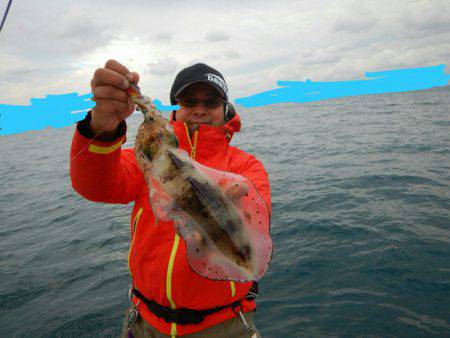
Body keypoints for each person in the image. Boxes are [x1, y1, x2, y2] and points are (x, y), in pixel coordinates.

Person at [70, 59, 271, 338]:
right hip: (146, 323)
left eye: (211, 101)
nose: (200, 108)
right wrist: (101, 127)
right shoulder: (147, 161)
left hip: (224, 325)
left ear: (226, 110)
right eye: (189, 100)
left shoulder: (247, 167)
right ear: (176, 107)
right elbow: (95, 185)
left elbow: (255, 219)